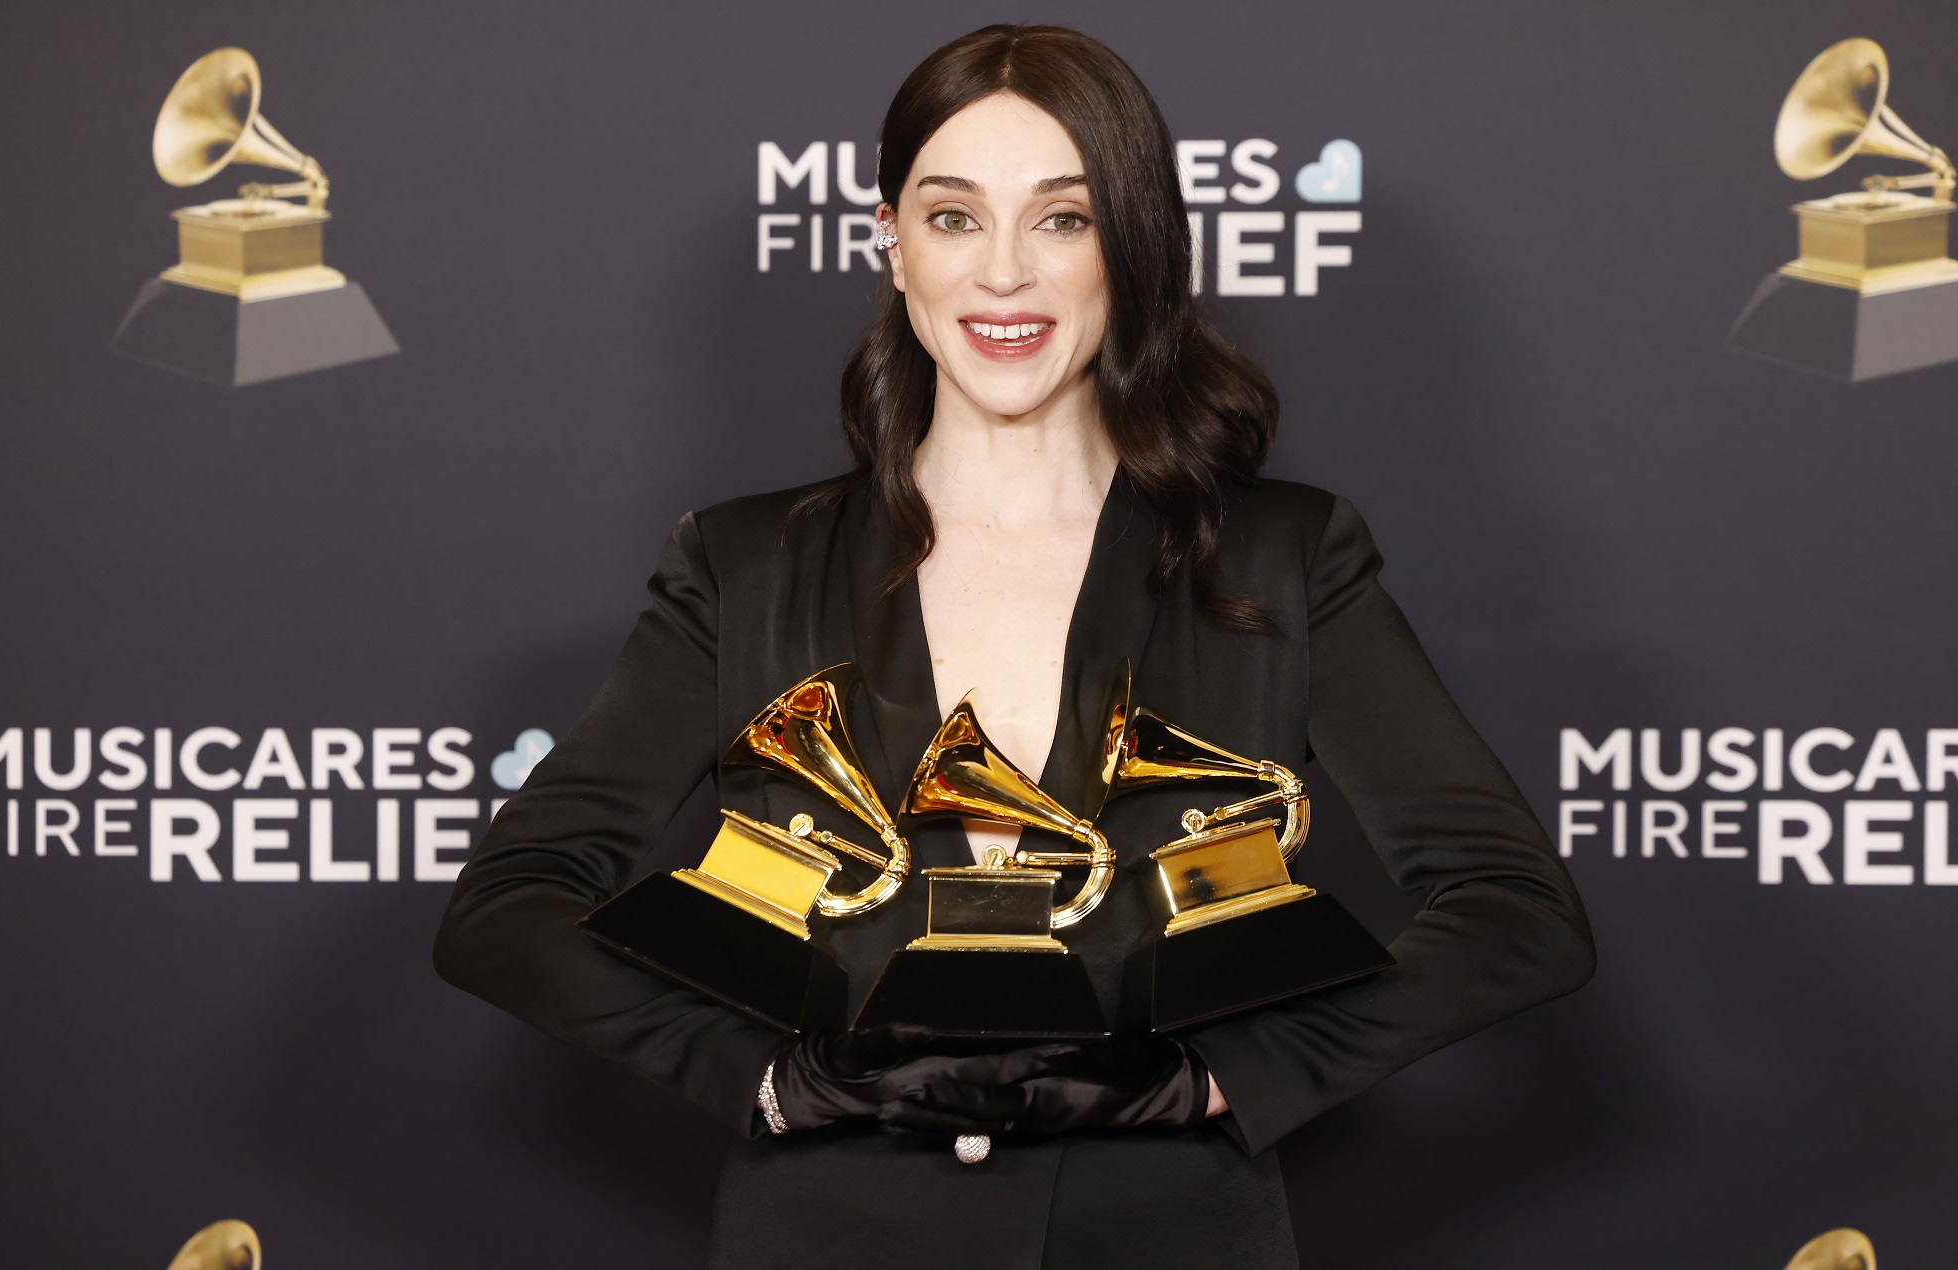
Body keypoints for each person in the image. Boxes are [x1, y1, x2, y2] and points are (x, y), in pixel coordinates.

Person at [433, 23, 1595, 1269]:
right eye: (951, 217)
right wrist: (773, 1078)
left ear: (1134, 246)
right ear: (890, 241)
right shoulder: (744, 563)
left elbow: (1514, 910)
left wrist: (1215, 1080)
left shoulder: (1281, 556)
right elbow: (505, 908)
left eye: (1060, 219)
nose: (1001, 275)